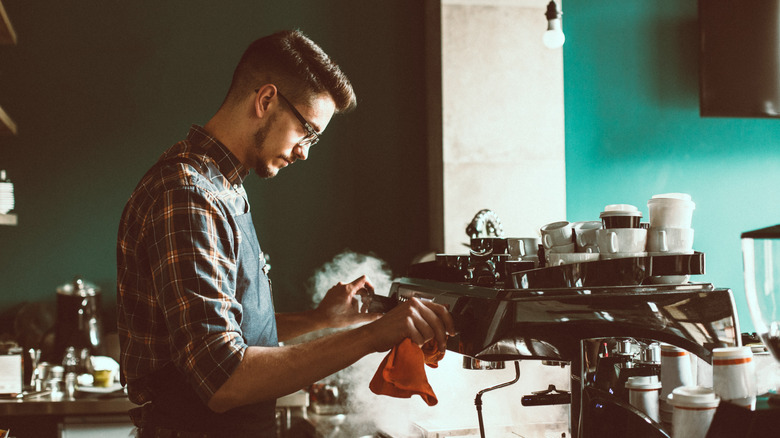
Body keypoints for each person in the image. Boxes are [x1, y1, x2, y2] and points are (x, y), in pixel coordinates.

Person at [116, 29, 454, 438]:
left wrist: (319, 320)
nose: (305, 151)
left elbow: (223, 331)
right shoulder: (190, 196)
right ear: (265, 100)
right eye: (307, 131)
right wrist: (375, 335)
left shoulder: (224, 188)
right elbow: (223, 379)